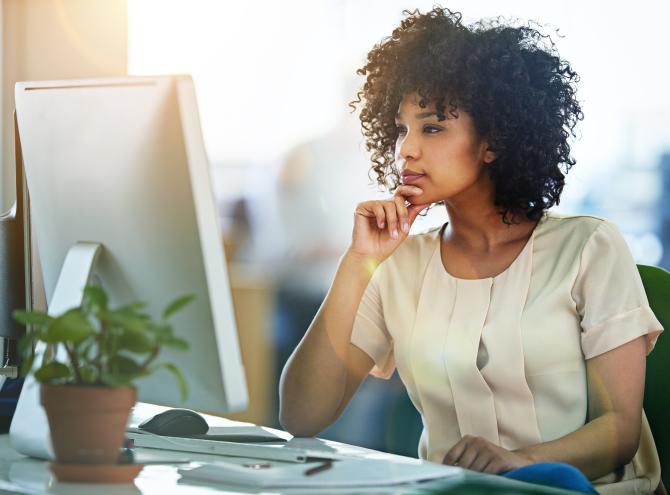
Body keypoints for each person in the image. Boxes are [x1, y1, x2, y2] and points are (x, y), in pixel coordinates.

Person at [278, 7, 664, 494]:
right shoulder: (398, 266)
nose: (406, 151)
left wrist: (519, 461)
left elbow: (619, 431)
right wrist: (357, 263)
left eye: (432, 128)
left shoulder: (588, 246)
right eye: (401, 129)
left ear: (494, 141)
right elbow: (303, 416)